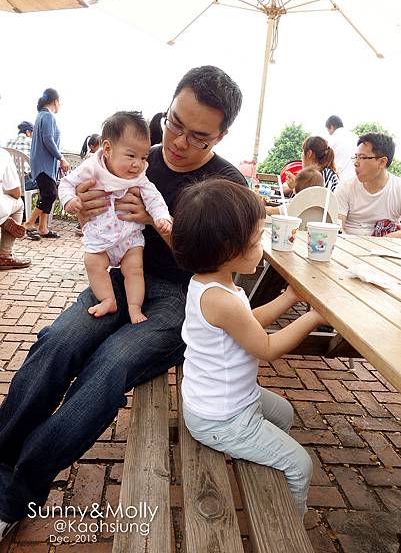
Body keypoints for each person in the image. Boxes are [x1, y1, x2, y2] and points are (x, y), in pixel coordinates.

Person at [0, 65, 247, 540]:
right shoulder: (130, 155)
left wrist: (158, 224)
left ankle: (14, 496)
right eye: (173, 122)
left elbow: (224, 264)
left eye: (198, 136)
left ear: (221, 134)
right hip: (117, 277)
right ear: (168, 106)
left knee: (110, 365)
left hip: (180, 293)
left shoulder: (226, 184)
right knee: (59, 342)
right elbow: (81, 205)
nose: (177, 141)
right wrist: (82, 206)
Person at [171, 178, 324, 518]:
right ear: (227, 250)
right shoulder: (220, 299)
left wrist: (287, 299)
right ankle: (289, 528)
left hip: (223, 401)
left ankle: (262, 461)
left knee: (283, 413)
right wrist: (313, 317)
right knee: (300, 464)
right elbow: (266, 347)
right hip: (221, 419)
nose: (262, 246)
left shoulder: (211, 283)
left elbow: (247, 321)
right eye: (257, 240)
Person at [59, 111, 171, 324]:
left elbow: (154, 197)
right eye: (131, 156)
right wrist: (69, 201)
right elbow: (66, 184)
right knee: (93, 264)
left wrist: (161, 217)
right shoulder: (92, 167)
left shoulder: (139, 176)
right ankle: (108, 299)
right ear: (108, 149)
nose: (138, 164)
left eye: (143, 157)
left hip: (129, 238)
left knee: (134, 270)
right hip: (100, 238)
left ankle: (134, 307)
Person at [24, 88, 70, 240]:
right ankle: (29, 223)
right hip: (44, 164)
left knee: (46, 194)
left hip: (41, 163)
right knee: (51, 194)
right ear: (55, 101)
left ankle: (43, 227)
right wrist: (61, 157)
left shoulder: (40, 115)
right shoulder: (48, 116)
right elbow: (48, 140)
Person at [336, 132, 401, 237]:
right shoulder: (345, 188)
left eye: (362, 157)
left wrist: (387, 239)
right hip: (349, 247)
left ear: (382, 162)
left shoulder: (397, 188)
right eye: (356, 157)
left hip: (385, 250)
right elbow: (337, 227)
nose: (356, 163)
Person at [0, 148, 31, 270]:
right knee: (19, 203)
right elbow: (16, 193)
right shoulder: (2, 154)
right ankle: (5, 255)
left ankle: (3, 220)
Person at [6, 121, 37, 191]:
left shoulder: (9, 142)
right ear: (28, 132)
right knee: (47, 183)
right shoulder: (31, 142)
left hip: (10, 182)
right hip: (25, 183)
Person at [325, 115, 357, 182]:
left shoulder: (332, 139)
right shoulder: (355, 137)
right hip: (357, 179)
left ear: (331, 127)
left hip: (341, 180)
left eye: (328, 131)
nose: (329, 133)